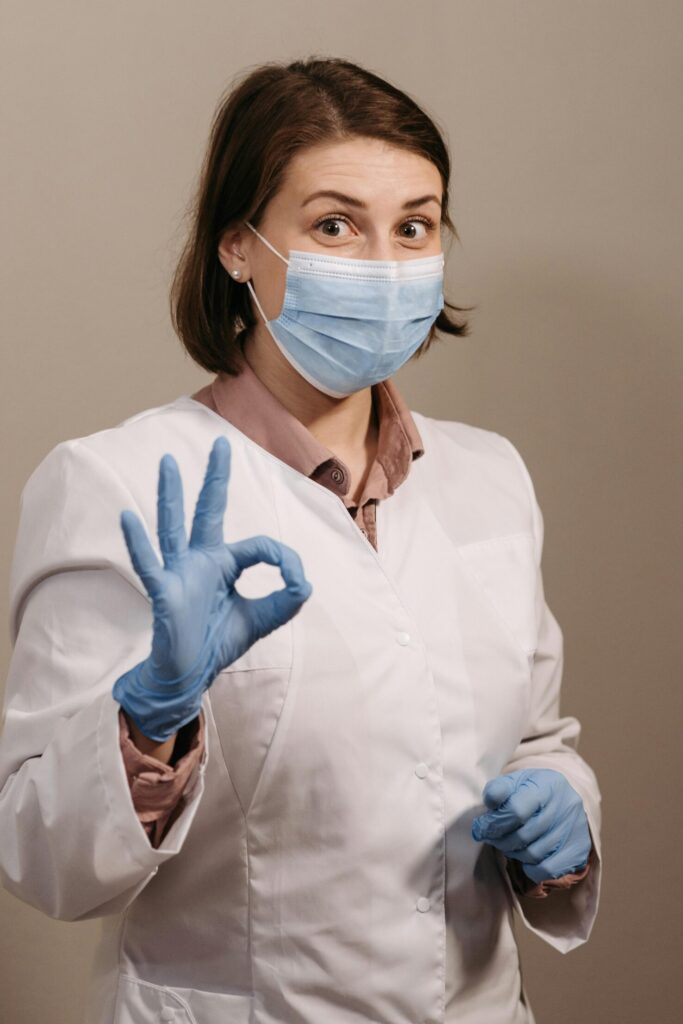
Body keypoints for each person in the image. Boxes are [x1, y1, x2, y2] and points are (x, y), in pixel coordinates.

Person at [0, 57, 602, 1024]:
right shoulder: (114, 480)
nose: (383, 261)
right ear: (239, 247)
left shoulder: (488, 475)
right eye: (333, 225)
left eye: (412, 225)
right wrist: (150, 715)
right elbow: (40, 859)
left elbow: (531, 737)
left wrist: (561, 813)